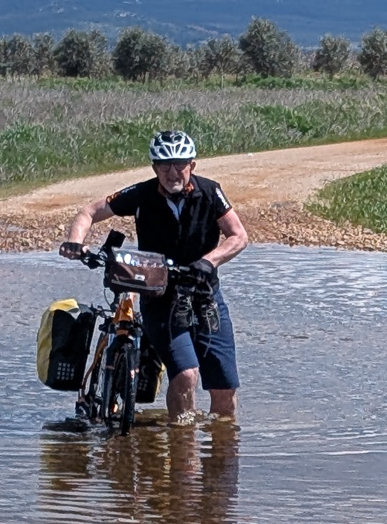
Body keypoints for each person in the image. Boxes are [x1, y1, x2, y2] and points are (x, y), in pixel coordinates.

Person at [60, 130, 250, 423]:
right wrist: (76, 241)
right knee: (186, 374)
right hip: (160, 297)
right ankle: (183, 454)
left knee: (224, 388)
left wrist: (208, 262)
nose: (172, 172)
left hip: (205, 295)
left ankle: (220, 459)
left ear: (192, 166)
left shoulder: (211, 192)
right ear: (154, 168)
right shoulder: (142, 194)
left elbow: (238, 236)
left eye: (180, 164)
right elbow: (90, 211)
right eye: (164, 165)